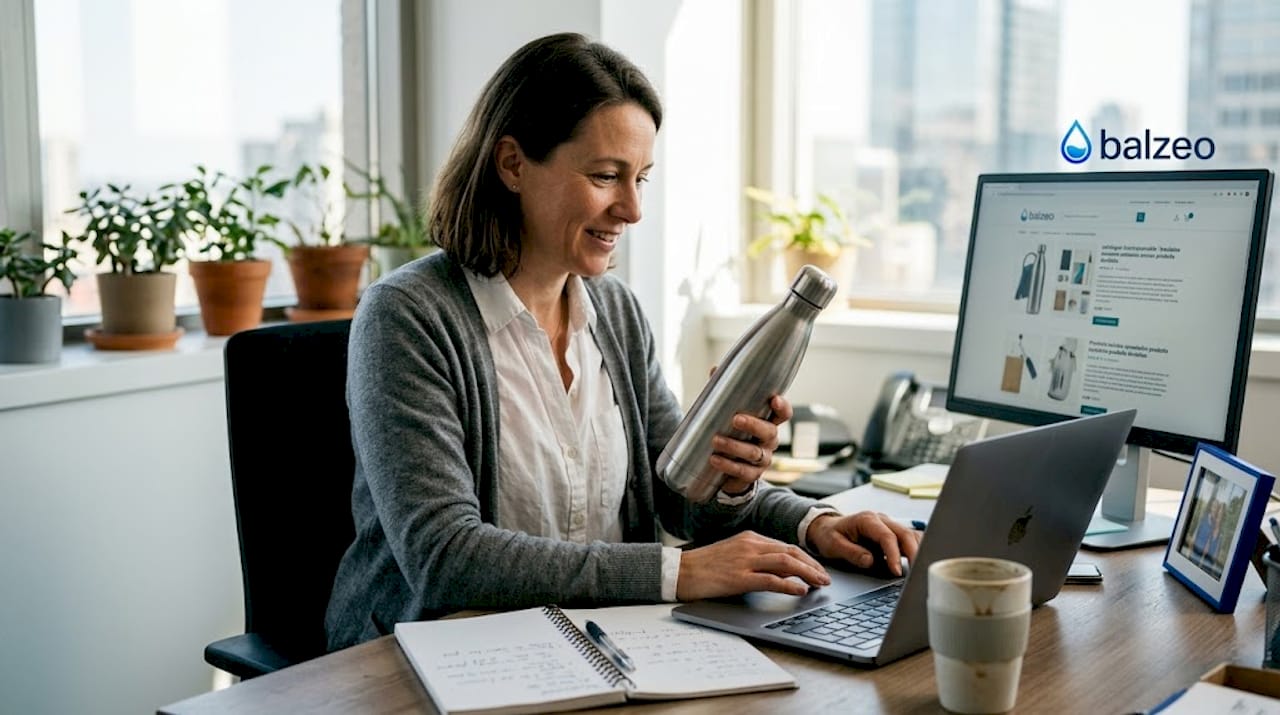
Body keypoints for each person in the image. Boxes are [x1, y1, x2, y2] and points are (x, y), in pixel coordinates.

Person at [324, 32, 920, 651]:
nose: (632, 209)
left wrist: (802, 516)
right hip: (428, 655)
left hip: (600, 641)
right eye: (607, 176)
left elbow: (679, 497)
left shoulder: (615, 309)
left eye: (642, 179)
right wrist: (679, 572)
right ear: (512, 165)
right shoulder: (408, 316)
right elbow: (446, 558)